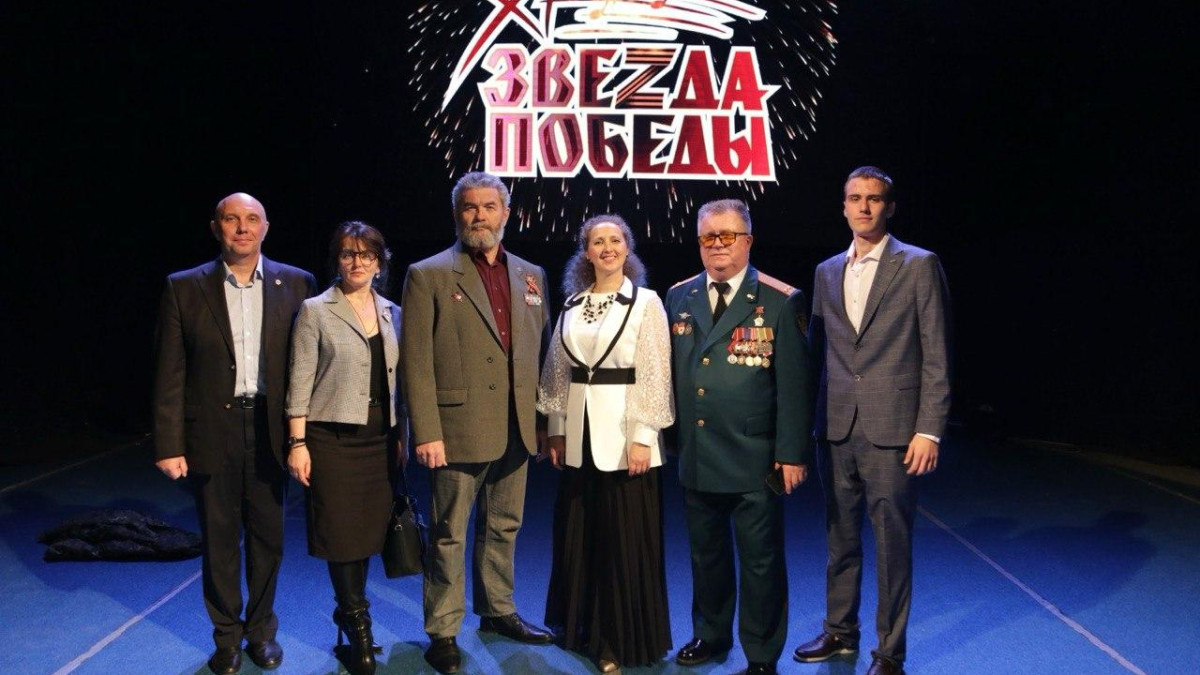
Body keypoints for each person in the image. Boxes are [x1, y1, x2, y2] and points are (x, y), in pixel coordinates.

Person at [792, 167, 951, 675]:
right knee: (839, 537)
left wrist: (929, 428)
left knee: (891, 545)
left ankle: (889, 653)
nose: (864, 207)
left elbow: (936, 353)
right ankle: (840, 631)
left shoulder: (919, 264)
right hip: (836, 427)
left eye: (874, 199)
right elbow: (818, 354)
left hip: (894, 430)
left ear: (889, 207)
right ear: (843, 206)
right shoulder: (826, 271)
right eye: (855, 198)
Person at [153, 192, 317, 675]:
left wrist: (306, 436)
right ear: (216, 227)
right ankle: (226, 637)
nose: (242, 228)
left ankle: (261, 632)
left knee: (269, 539)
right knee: (219, 540)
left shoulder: (298, 283)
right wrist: (169, 443)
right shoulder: (184, 287)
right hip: (211, 431)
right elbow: (169, 373)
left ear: (265, 228)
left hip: (271, 429)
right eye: (231, 219)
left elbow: (309, 365)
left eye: (251, 219)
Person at [400, 171, 553, 675]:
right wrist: (426, 432)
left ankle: (498, 609)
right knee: (449, 532)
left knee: (505, 525)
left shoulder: (531, 274)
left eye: (489, 207)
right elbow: (416, 361)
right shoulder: (428, 273)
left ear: (506, 213)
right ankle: (443, 629)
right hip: (456, 428)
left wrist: (544, 422)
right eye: (470, 207)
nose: (479, 216)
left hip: (518, 425)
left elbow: (544, 354)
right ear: (456, 214)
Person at [665, 199, 813, 675]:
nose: (718, 245)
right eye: (708, 237)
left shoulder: (779, 299)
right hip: (699, 451)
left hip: (756, 456)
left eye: (728, 236)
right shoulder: (679, 296)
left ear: (748, 241)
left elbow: (795, 385)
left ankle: (762, 654)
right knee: (705, 556)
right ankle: (710, 635)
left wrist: (792, 453)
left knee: (760, 562)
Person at [537, 214, 675, 673]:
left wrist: (643, 437)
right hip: (579, 436)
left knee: (623, 541)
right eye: (598, 241)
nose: (607, 248)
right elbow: (557, 371)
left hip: (624, 438)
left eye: (615, 240)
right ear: (587, 252)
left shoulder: (646, 302)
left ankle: (618, 638)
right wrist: (556, 427)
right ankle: (583, 628)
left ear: (627, 249)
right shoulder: (573, 303)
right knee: (581, 535)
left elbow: (655, 373)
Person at [284, 221, 405, 675]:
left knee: (368, 533)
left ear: (380, 262)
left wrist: (403, 435)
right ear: (337, 260)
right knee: (340, 533)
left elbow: (400, 382)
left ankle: (350, 611)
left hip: (380, 440)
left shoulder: (393, 312)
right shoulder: (316, 310)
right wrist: (297, 441)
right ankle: (358, 621)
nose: (357, 263)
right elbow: (299, 380)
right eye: (348, 254)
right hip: (330, 440)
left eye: (366, 255)